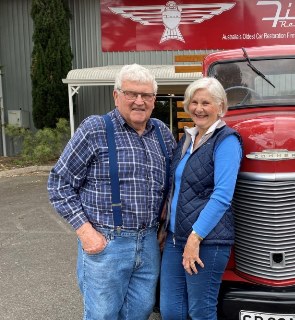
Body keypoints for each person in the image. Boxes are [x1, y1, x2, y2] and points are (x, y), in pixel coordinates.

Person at [47, 63, 175, 320]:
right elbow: (59, 183)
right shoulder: (95, 129)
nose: (139, 101)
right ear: (116, 96)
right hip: (107, 243)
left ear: (154, 99)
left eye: (146, 95)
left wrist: (164, 226)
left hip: (148, 242)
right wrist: (86, 233)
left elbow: (172, 183)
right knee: (102, 315)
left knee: (140, 311)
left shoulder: (162, 133)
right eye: (131, 94)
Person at [159, 77, 242, 320]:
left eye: (206, 102)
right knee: (171, 311)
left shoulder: (226, 141)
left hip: (205, 242)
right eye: (193, 102)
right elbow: (176, 188)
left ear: (221, 107)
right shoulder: (187, 139)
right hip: (176, 239)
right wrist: (165, 228)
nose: (199, 108)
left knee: (201, 312)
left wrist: (195, 238)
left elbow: (222, 196)